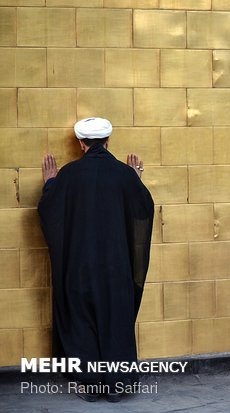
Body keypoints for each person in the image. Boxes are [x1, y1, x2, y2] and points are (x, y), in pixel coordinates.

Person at [38, 117, 154, 402]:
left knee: (82, 320)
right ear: (108, 141)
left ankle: (89, 385)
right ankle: (118, 385)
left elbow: (49, 211)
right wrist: (136, 183)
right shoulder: (124, 174)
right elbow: (143, 210)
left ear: (81, 144)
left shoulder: (68, 174)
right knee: (117, 321)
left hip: (80, 267)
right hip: (117, 267)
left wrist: (51, 183)